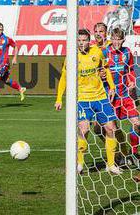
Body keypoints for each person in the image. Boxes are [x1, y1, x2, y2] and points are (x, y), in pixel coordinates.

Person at [55, 29, 121, 174]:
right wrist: (59, 98)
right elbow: (64, 78)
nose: (81, 43)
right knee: (84, 130)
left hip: (100, 97)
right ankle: (79, 163)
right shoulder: (71, 56)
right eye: (79, 40)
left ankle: (111, 165)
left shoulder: (97, 52)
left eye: (84, 40)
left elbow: (106, 68)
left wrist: (112, 86)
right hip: (82, 99)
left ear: (88, 41)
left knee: (111, 128)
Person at [92, 22, 129, 164]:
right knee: (97, 128)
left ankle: (122, 154)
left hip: (113, 91)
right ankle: (118, 152)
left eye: (101, 31)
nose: (98, 33)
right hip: (97, 91)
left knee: (112, 125)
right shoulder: (93, 48)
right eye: (95, 31)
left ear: (106, 33)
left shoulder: (111, 47)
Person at [102, 28, 140, 159]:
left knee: (137, 124)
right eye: (114, 38)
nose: (117, 42)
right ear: (110, 39)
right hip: (110, 97)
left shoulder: (127, 52)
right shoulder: (105, 52)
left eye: (119, 39)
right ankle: (114, 158)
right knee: (112, 129)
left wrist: (132, 82)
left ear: (123, 39)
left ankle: (134, 153)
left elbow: (130, 70)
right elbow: (99, 72)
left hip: (125, 96)